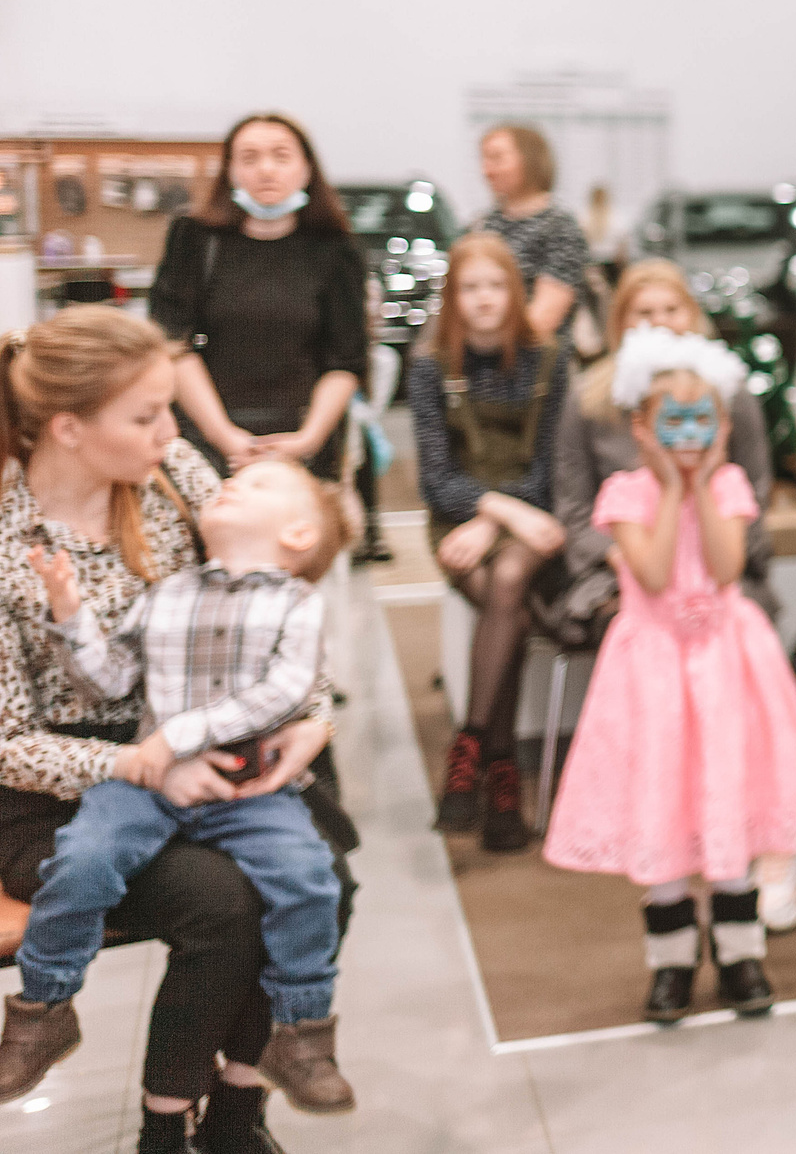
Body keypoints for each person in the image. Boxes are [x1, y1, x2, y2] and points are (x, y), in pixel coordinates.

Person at [0, 308, 348, 1154]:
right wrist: (145, 764)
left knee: (326, 867)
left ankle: (237, 1106)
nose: (171, 431)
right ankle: (165, 1127)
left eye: (169, 411)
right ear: (70, 428)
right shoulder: (10, 542)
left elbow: (273, 576)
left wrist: (313, 711)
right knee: (225, 903)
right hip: (57, 789)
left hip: (188, 733)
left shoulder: (163, 470)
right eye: (147, 415)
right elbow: (10, 741)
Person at [540, 328, 796, 1025]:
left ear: (722, 425)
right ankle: (670, 963)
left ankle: (739, 953)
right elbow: (657, 571)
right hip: (654, 671)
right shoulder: (623, 493)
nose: (689, 433)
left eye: (703, 420)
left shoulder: (727, 485)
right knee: (662, 801)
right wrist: (669, 487)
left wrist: (702, 486)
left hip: (727, 664)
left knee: (727, 795)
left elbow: (726, 568)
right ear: (643, 427)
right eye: (674, 421)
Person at [411, 233, 566, 854]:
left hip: (534, 515)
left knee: (507, 582)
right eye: (470, 288)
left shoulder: (548, 360)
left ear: (515, 293)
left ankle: (470, 748)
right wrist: (492, 514)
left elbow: (550, 471)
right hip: (462, 516)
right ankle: (501, 775)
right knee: (510, 602)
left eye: (496, 286)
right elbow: (435, 480)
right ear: (453, 297)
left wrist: (503, 521)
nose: (483, 299)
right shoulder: (430, 366)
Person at [551, 259, 780, 654]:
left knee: (727, 618)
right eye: (644, 313)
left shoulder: (731, 396)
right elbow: (573, 507)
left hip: (714, 558)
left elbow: (755, 494)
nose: (660, 322)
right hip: (622, 564)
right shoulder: (588, 400)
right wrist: (626, 558)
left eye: (671, 310)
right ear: (621, 323)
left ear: (691, 315)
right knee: (635, 622)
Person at [151, 113, 368, 482]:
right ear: (230, 170)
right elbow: (173, 343)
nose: (266, 170)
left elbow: (346, 361)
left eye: (281, 156)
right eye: (249, 158)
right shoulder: (194, 240)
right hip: (210, 435)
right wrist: (225, 437)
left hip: (302, 437)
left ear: (306, 169)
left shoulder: (335, 250)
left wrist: (308, 440)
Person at [470, 124, 589, 340]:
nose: (486, 171)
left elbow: (543, 319)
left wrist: (487, 345)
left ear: (530, 159)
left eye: (497, 158)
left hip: (536, 363)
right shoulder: (482, 225)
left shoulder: (560, 227)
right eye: (484, 160)